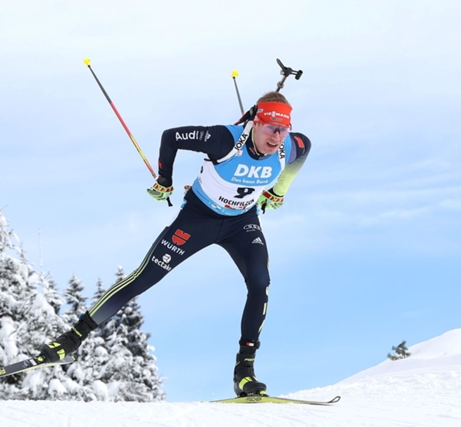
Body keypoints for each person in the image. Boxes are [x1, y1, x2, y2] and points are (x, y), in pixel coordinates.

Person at [36, 91, 311, 397]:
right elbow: (171, 137)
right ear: (256, 123)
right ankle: (72, 338)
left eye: (282, 129)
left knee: (261, 283)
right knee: (145, 277)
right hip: (198, 218)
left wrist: (280, 190)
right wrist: (165, 179)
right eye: (271, 128)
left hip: (241, 223)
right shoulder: (223, 140)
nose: (276, 137)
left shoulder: (290, 146)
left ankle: (244, 372)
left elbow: (305, 148)